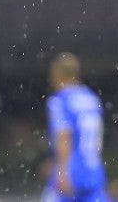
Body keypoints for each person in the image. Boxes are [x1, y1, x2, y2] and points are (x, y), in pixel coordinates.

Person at [41, 52, 107, 202]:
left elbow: (64, 134)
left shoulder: (61, 100)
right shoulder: (91, 99)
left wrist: (63, 169)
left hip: (72, 172)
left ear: (56, 74)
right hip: (93, 169)